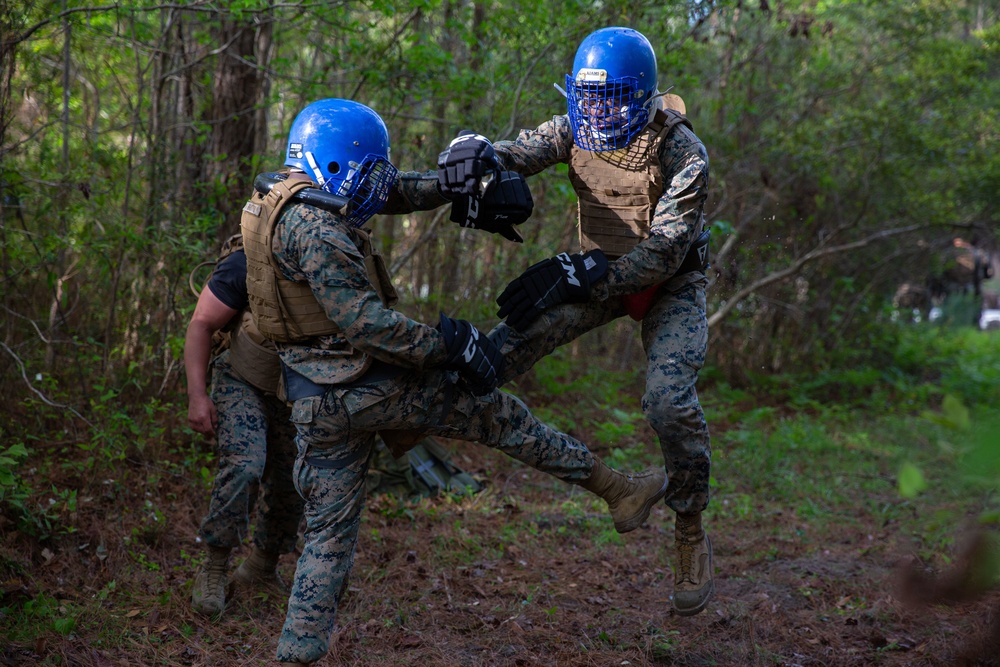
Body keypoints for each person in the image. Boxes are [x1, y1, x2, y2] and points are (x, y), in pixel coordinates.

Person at [239, 98, 669, 666]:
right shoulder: (320, 233)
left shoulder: (279, 199)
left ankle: (295, 654)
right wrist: (450, 345)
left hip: (312, 398)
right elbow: (369, 327)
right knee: (499, 414)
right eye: (367, 170)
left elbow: (391, 192)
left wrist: (451, 183)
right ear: (339, 165)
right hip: (363, 386)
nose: (375, 186)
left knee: (327, 534)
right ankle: (619, 491)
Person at [436, 26, 715, 617]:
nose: (599, 111)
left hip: (670, 281)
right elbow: (518, 150)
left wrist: (579, 278)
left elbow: (664, 251)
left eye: (612, 98)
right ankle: (418, 414)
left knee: (667, 401)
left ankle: (688, 523)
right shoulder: (574, 127)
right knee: (503, 349)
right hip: (600, 270)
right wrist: (472, 149)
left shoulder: (681, 151)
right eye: (589, 98)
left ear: (642, 96)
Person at [184, 235, 304, 616]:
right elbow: (202, 324)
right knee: (245, 465)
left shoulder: (333, 262)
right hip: (242, 378)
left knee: (293, 477)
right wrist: (197, 396)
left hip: (297, 388)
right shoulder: (247, 262)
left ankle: (262, 566)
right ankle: (215, 566)